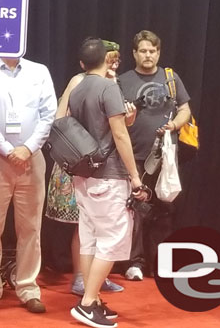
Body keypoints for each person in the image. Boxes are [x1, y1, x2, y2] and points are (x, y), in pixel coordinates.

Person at [68, 38, 148, 328]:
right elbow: (119, 135)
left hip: (83, 174)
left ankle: (91, 299)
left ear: (81, 64)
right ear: (107, 59)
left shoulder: (77, 88)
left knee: (90, 238)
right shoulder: (108, 87)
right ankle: (89, 303)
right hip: (109, 174)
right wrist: (136, 178)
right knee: (112, 239)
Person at [0, 57, 57, 314]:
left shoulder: (39, 70)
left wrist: (27, 148)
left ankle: (28, 287)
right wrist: (8, 150)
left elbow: (48, 114)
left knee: (31, 228)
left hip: (32, 158)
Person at [45, 40, 127, 295]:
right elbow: (61, 120)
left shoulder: (112, 84)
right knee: (86, 224)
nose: (113, 62)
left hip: (103, 165)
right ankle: (81, 277)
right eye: (109, 57)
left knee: (100, 225)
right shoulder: (78, 81)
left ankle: (96, 278)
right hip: (79, 161)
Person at [118, 30, 191, 281]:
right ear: (135, 54)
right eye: (143, 51)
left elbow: (185, 109)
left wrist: (174, 125)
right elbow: (114, 119)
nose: (148, 55)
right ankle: (135, 262)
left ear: (158, 52)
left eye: (152, 51)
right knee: (136, 209)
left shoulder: (171, 77)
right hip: (135, 155)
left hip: (167, 156)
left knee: (165, 208)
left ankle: (161, 263)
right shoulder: (123, 80)